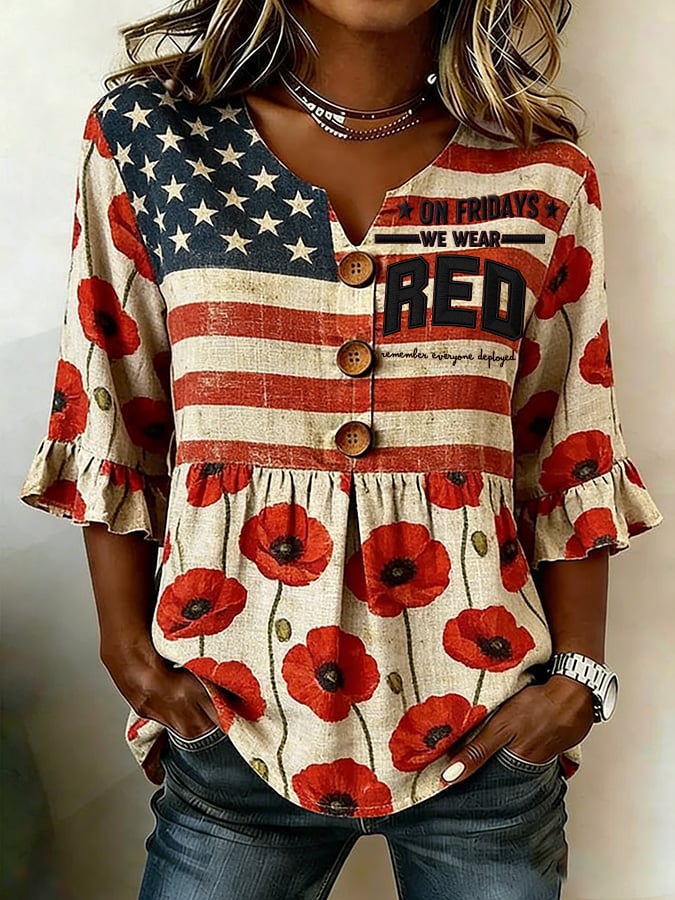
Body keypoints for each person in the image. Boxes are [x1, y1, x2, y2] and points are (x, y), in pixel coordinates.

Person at [19, 1, 663, 897]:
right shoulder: (152, 142)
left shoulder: (540, 173)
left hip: (488, 734)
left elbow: (565, 441)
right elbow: (111, 401)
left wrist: (575, 685)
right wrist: (125, 649)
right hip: (230, 725)